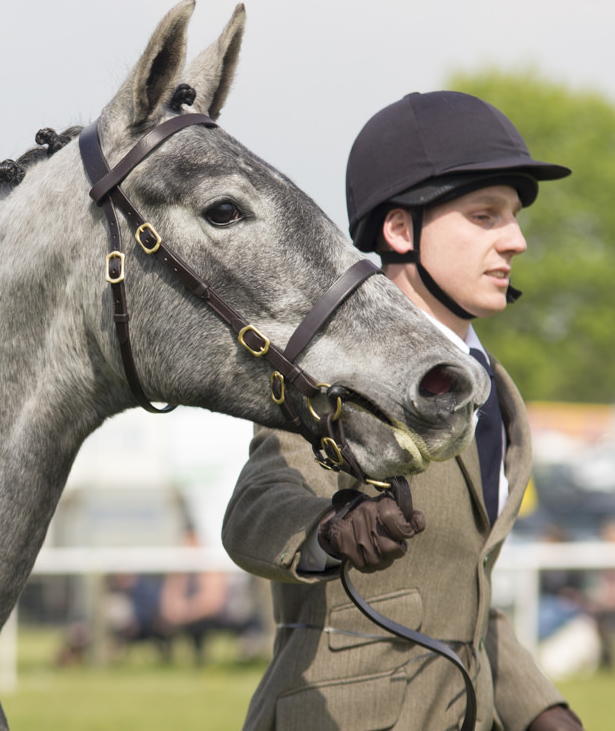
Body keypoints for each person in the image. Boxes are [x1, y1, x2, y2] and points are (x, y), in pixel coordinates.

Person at [222, 91, 583, 730]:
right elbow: (255, 508)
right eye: (486, 216)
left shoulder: (492, 387)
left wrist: (543, 713)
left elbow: (465, 594)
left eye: (514, 217)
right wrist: (328, 528)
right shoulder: (328, 372)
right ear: (399, 230)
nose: (517, 240)